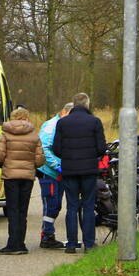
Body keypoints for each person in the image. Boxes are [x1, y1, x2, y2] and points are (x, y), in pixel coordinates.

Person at [51, 92, 107, 253]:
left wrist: (68, 157)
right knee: (88, 206)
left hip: (69, 170)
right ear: (87, 104)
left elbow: (56, 148)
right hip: (89, 170)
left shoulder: (63, 123)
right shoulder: (94, 122)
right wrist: (91, 156)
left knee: (72, 206)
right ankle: (89, 243)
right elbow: (101, 148)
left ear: (74, 104)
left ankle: (71, 244)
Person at [0, 107, 45, 255]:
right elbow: (40, 159)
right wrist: (31, 164)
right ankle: (21, 243)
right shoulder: (34, 136)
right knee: (22, 211)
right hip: (27, 177)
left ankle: (12, 243)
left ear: (13, 118)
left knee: (13, 210)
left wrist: (5, 161)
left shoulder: (6, 135)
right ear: (26, 119)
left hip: (11, 177)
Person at [37, 102, 73, 249]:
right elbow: (44, 148)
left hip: (60, 172)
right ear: (65, 112)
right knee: (51, 204)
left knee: (56, 205)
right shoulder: (51, 126)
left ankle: (48, 234)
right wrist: (58, 166)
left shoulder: (63, 124)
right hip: (49, 172)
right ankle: (47, 236)